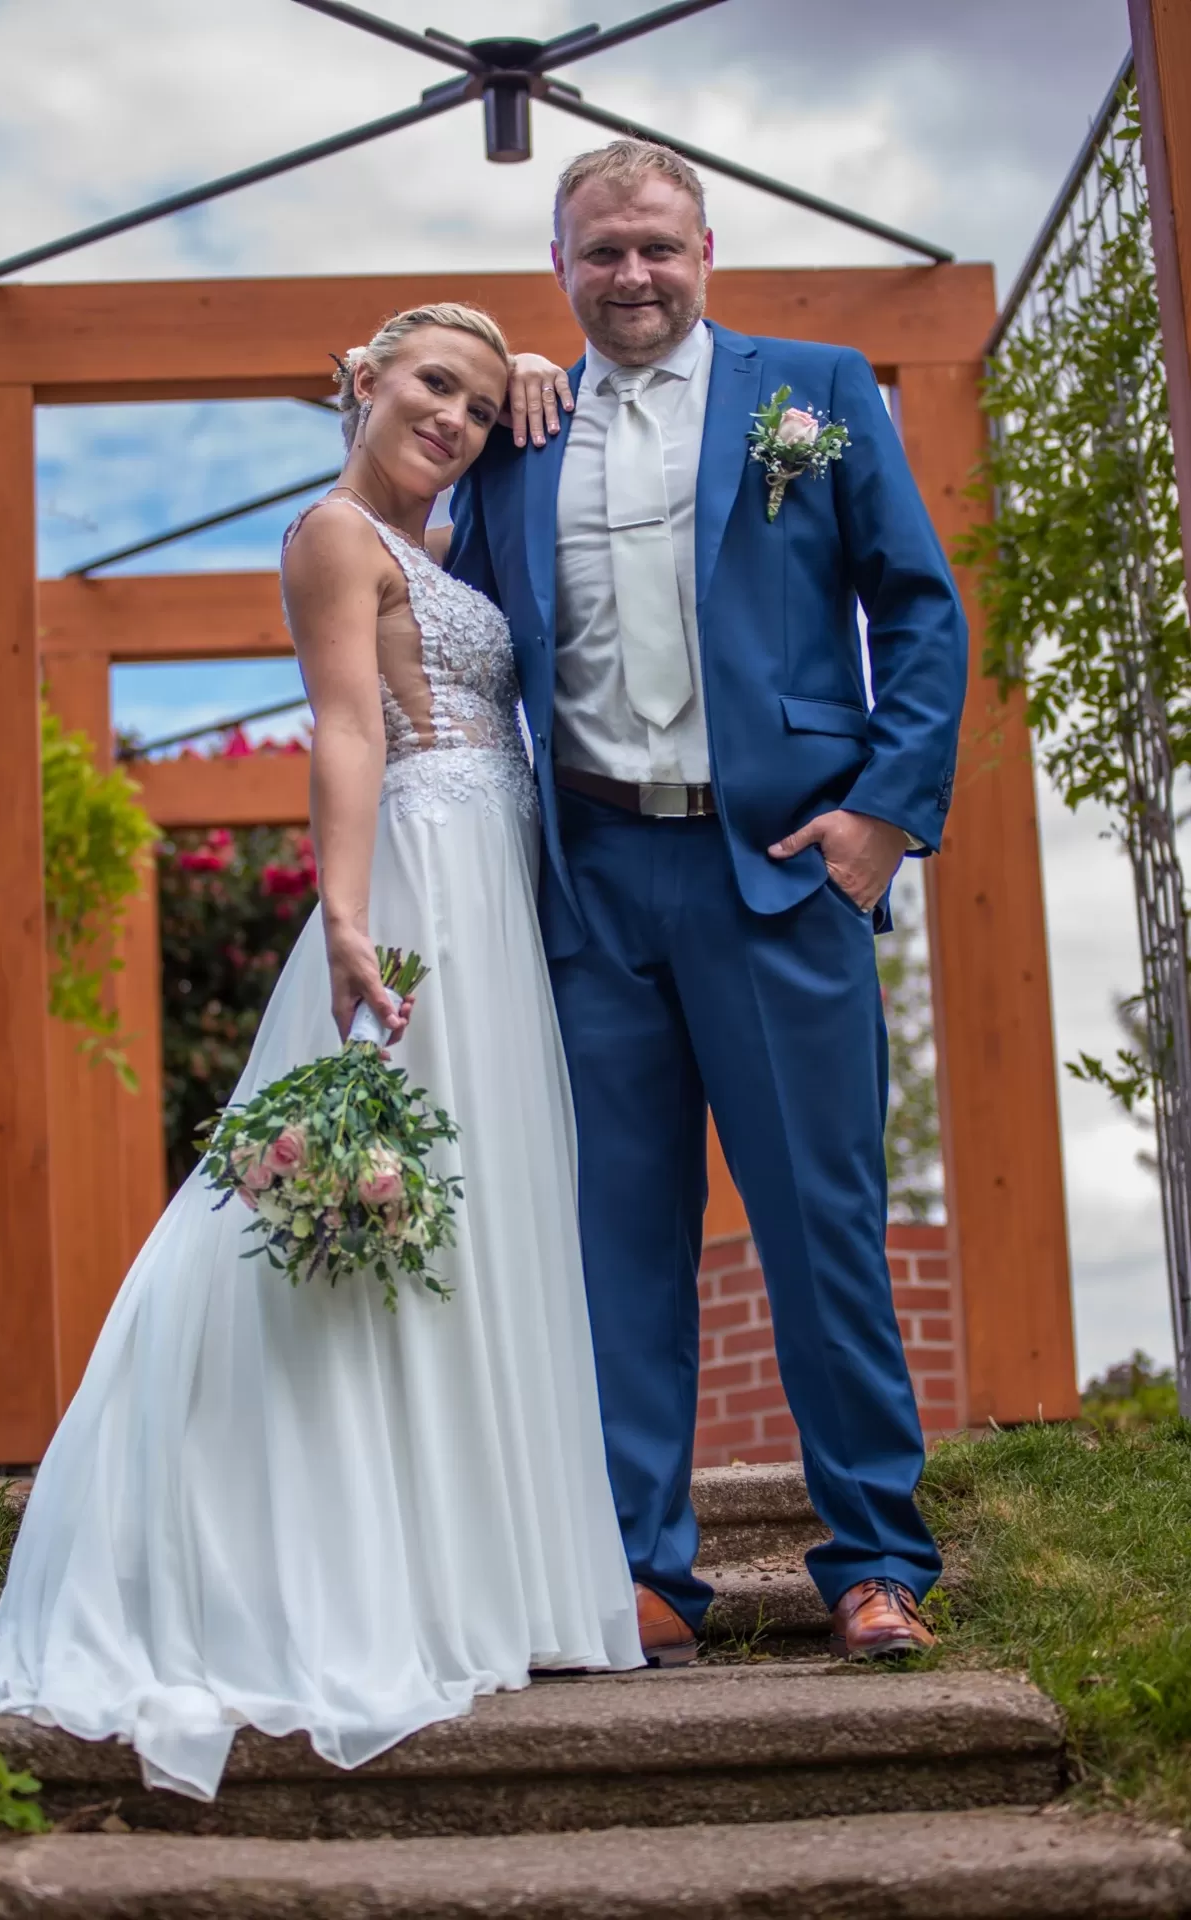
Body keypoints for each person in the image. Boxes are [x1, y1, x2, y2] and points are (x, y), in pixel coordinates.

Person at [0, 302, 644, 1804]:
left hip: (499, 877)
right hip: (424, 877)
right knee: (377, 1211)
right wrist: (345, 915)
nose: (454, 419)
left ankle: (487, 1570)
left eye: (476, 403)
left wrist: (539, 368)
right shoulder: (333, 535)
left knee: (480, 1213)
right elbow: (346, 728)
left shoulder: (445, 542)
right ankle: (321, 1557)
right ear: (362, 384)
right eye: (430, 386)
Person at [448, 140, 969, 1665]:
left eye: (658, 247)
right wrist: (415, 378)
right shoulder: (517, 435)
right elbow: (419, 561)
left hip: (782, 870)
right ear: (560, 267)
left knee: (822, 1224)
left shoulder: (814, 389)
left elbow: (918, 608)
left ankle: (877, 1558)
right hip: (593, 884)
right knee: (617, 1241)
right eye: (603, 250)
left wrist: (883, 815)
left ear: (705, 252)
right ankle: (644, 1571)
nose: (633, 275)